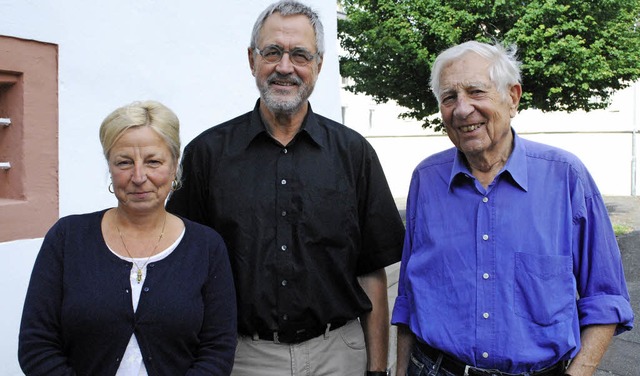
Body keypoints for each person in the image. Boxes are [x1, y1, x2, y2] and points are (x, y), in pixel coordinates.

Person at [166, 1, 404, 375]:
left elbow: (370, 271)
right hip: (242, 358)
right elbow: (183, 268)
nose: (284, 67)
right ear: (251, 60)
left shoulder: (354, 153)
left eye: (300, 55)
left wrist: (377, 370)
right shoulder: (207, 155)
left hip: (338, 355)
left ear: (319, 65)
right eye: (272, 52)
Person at [392, 40, 635, 376]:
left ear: (513, 97)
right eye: (449, 97)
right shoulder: (426, 179)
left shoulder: (565, 176)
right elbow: (409, 298)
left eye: (476, 91)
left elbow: (606, 299)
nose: (462, 109)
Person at [18, 100, 237, 376]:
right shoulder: (67, 238)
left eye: (153, 161)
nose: (138, 176)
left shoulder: (206, 247)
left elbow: (217, 350)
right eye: (124, 162)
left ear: (174, 166)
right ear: (109, 166)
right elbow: (36, 345)